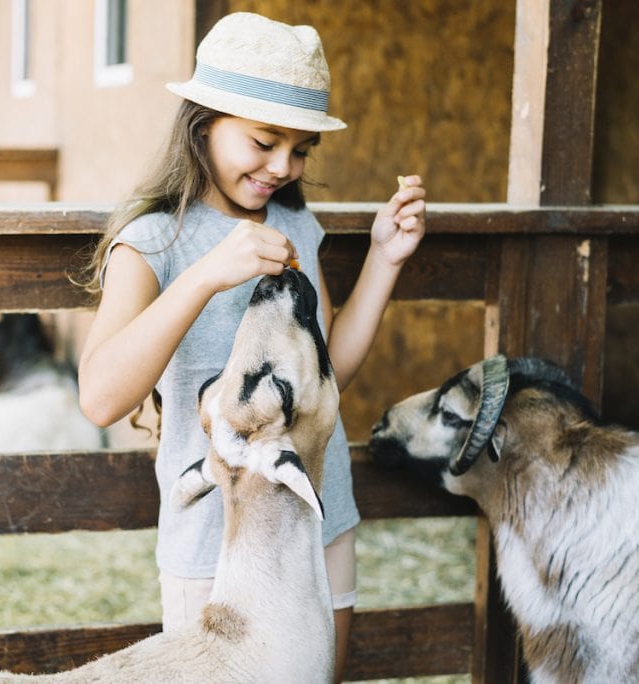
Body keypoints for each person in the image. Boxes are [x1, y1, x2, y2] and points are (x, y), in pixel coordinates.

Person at [77, 12, 426, 683]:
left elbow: (331, 375)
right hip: (211, 542)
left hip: (317, 526)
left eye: (300, 150)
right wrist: (209, 273)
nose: (282, 166)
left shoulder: (298, 222)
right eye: (265, 141)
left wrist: (385, 258)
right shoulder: (152, 243)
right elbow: (99, 397)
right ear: (204, 122)